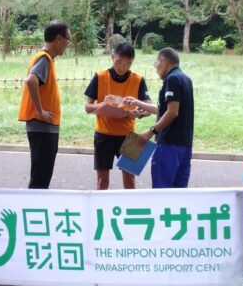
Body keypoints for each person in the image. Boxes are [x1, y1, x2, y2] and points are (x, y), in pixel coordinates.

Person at [84, 42, 150, 190]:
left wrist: (140, 113)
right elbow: (88, 107)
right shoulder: (100, 77)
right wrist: (100, 106)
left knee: (130, 181)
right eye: (119, 61)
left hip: (129, 136)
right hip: (103, 135)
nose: (122, 67)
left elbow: (148, 106)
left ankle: (130, 211)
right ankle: (99, 211)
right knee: (102, 181)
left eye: (128, 64)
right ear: (112, 57)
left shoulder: (138, 79)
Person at [127, 47, 194, 189]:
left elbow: (172, 112)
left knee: (161, 190)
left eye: (156, 64)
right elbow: (164, 110)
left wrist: (150, 131)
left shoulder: (173, 79)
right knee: (179, 192)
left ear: (163, 62)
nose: (156, 69)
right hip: (185, 145)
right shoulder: (185, 79)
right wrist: (138, 103)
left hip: (169, 144)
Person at [18, 20, 71, 189]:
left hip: (44, 126)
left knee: (41, 175)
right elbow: (31, 81)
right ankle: (33, 210)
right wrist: (40, 111)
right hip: (42, 126)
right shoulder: (44, 58)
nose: (68, 44)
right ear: (58, 39)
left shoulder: (45, 58)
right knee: (41, 177)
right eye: (68, 40)